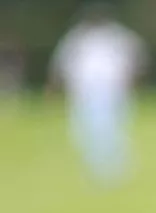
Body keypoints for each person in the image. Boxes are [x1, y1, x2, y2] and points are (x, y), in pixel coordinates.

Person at [46, 3, 147, 184]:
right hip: (83, 91)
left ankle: (115, 166)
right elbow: (62, 64)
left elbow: (136, 61)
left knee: (111, 126)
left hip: (112, 90)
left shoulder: (118, 36)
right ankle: (95, 165)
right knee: (83, 129)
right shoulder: (78, 37)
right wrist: (54, 88)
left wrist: (132, 83)